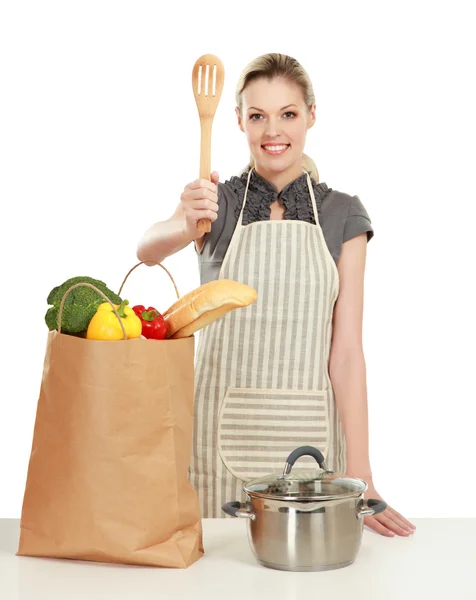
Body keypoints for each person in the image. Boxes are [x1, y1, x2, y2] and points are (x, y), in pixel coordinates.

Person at [137, 53, 416, 538]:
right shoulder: (216, 204)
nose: (273, 130)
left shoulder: (343, 214)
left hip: (311, 444)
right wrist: (183, 224)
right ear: (239, 121)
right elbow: (146, 250)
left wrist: (365, 475)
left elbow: (347, 353)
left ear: (311, 115)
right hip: (217, 440)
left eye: (288, 113)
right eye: (257, 115)